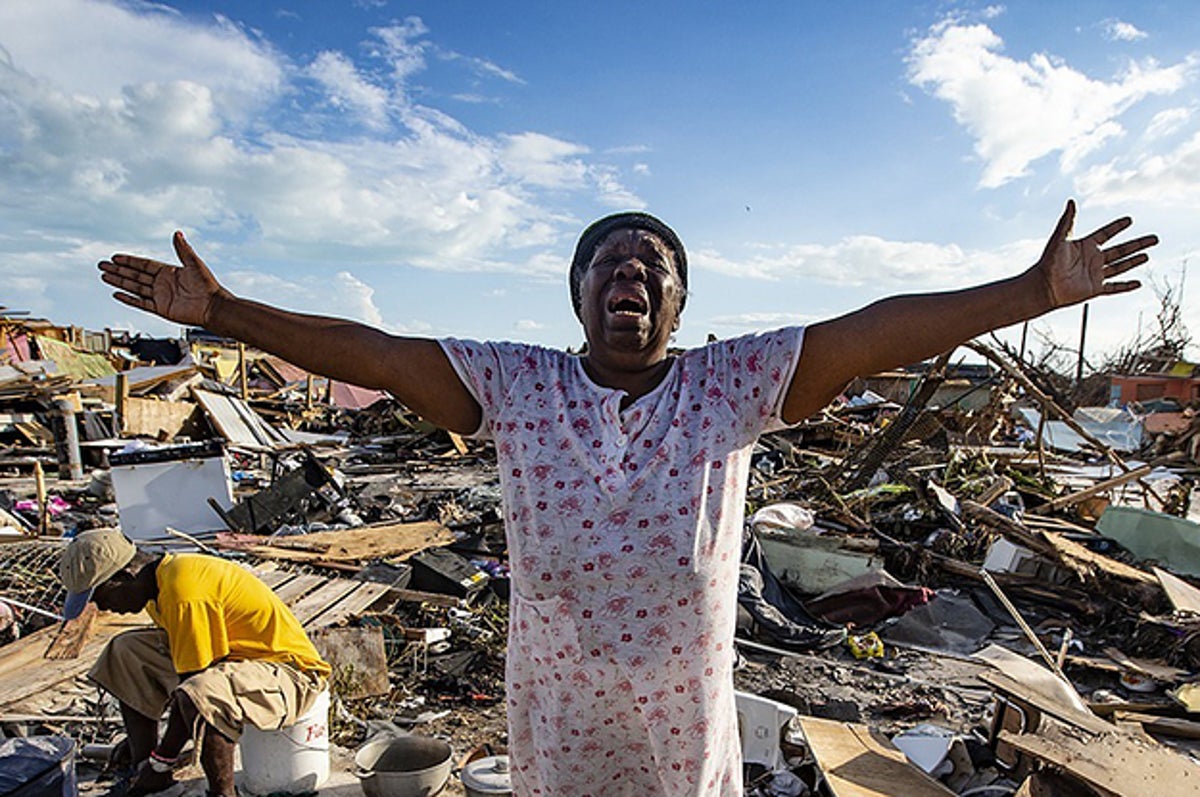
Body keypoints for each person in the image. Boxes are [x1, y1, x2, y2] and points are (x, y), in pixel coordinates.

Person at [99, 201, 1155, 796]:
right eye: (609, 262)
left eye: (653, 265)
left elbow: (866, 331)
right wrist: (230, 311)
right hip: (557, 723)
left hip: (679, 726)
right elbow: (374, 349)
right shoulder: (517, 384)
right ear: (577, 293)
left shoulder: (728, 385)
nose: (631, 274)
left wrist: (1029, 292)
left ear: (679, 300)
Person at [59, 528, 331, 797]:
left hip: (291, 674)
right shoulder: (156, 585)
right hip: (237, 660)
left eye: (101, 596)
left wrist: (162, 759)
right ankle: (147, 777)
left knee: (201, 694)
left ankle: (217, 792)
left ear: (124, 576)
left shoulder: (184, 592)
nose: (102, 608)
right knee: (125, 651)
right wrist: (139, 745)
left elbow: (191, 693)